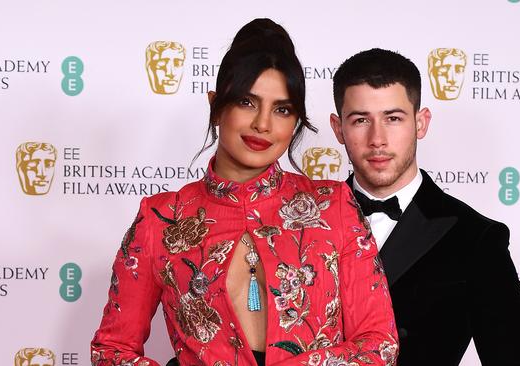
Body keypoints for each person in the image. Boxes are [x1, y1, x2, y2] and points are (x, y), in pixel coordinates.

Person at [91, 20, 398, 366]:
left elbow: (378, 345)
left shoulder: (333, 205)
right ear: (217, 106)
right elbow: (112, 350)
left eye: (282, 109)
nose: (263, 124)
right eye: (247, 103)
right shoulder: (160, 220)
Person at [329, 48, 520, 365]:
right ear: (338, 128)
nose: (378, 139)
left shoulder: (475, 238)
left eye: (393, 119)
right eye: (361, 120)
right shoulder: (304, 220)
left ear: (421, 123)